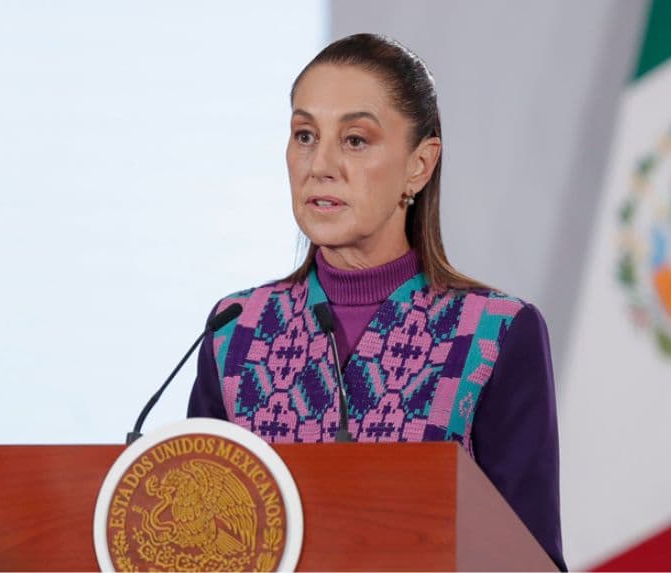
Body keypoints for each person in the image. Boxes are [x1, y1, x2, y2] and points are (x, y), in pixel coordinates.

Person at [188, 33, 565, 570]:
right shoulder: (237, 331)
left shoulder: (495, 333)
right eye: (304, 135)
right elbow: (196, 542)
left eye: (355, 140)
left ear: (419, 164)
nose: (320, 165)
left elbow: (531, 561)